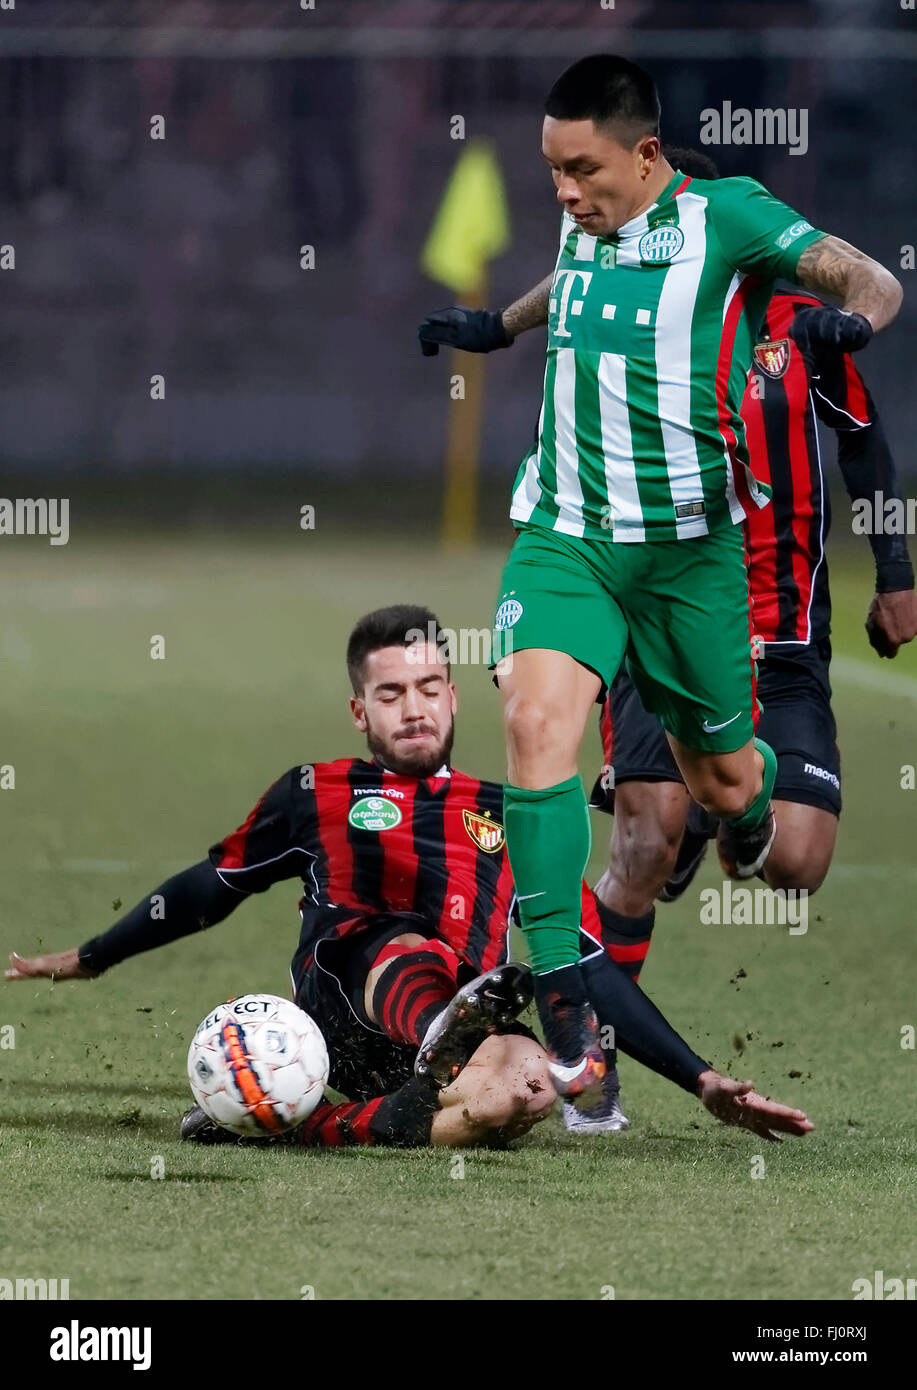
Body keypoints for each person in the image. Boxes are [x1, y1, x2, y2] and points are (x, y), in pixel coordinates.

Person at [418, 53, 902, 1103]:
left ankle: (737, 809)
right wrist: (494, 329)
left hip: (687, 557)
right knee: (534, 724)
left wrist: (848, 323)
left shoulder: (728, 218)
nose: (561, 190)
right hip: (566, 535)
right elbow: (574, 279)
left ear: (643, 157)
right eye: (550, 169)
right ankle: (562, 1005)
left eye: (579, 168)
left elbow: (873, 278)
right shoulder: (585, 216)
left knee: (729, 786)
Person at [6, 605, 813, 1146]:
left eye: (429, 688)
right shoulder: (314, 792)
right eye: (390, 694)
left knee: (525, 1091)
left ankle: (342, 1122)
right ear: (361, 711)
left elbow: (587, 962)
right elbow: (209, 888)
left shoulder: (513, 811)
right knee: (399, 944)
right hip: (348, 1007)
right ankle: (429, 1038)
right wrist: (88, 956)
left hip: (458, 1019)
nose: (414, 707)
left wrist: (699, 1077)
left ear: (454, 696)